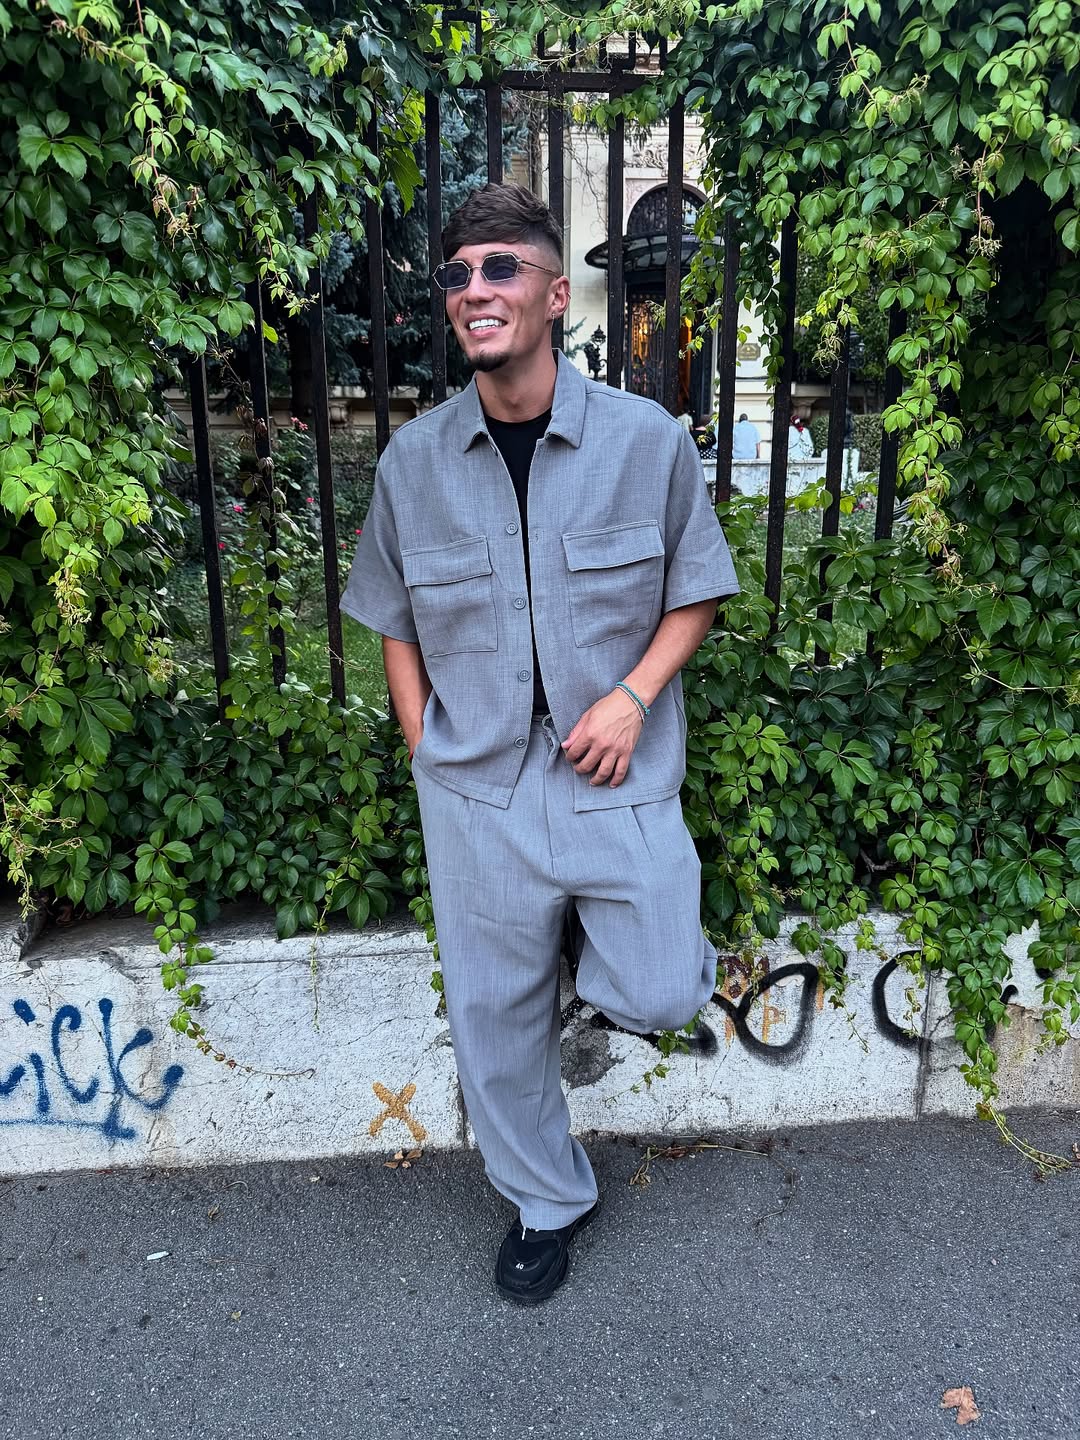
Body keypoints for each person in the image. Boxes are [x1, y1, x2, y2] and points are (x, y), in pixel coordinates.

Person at [341, 183, 739, 1305]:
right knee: (492, 1024)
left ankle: (570, 954)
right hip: (476, 788)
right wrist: (422, 742)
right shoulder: (414, 464)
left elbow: (698, 589)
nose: (475, 290)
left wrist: (634, 697)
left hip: (613, 773)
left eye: (501, 268)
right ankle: (547, 1200)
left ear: (556, 295)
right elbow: (393, 617)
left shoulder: (646, 443)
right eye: (457, 274)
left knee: (664, 986)